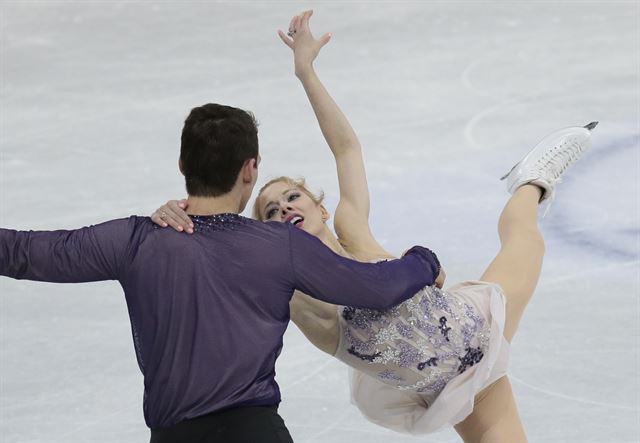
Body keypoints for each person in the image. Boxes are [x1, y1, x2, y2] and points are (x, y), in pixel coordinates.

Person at [153, 11, 597, 443]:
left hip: (472, 324)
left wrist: (306, 73)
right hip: (444, 383)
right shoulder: (287, 291)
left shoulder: (352, 230)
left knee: (525, 238)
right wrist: (179, 217)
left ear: (321, 209)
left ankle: (531, 180)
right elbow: (214, 260)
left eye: (293, 197)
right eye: (270, 210)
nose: (285, 208)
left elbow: (346, 149)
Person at [0, 103, 444, 443]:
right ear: (250, 169)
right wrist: (424, 259)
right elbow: (376, 287)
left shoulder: (136, 240)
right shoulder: (280, 246)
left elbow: (22, 253)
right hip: (255, 431)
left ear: (182, 167)